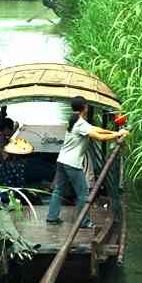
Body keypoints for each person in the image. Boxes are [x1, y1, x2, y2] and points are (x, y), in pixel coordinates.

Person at [46, 96, 129, 228]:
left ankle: (52, 217)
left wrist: (116, 132)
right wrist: (117, 135)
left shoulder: (75, 120)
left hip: (62, 160)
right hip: (72, 163)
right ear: (84, 108)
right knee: (83, 193)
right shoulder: (80, 124)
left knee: (58, 190)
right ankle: (83, 222)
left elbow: (96, 129)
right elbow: (99, 137)